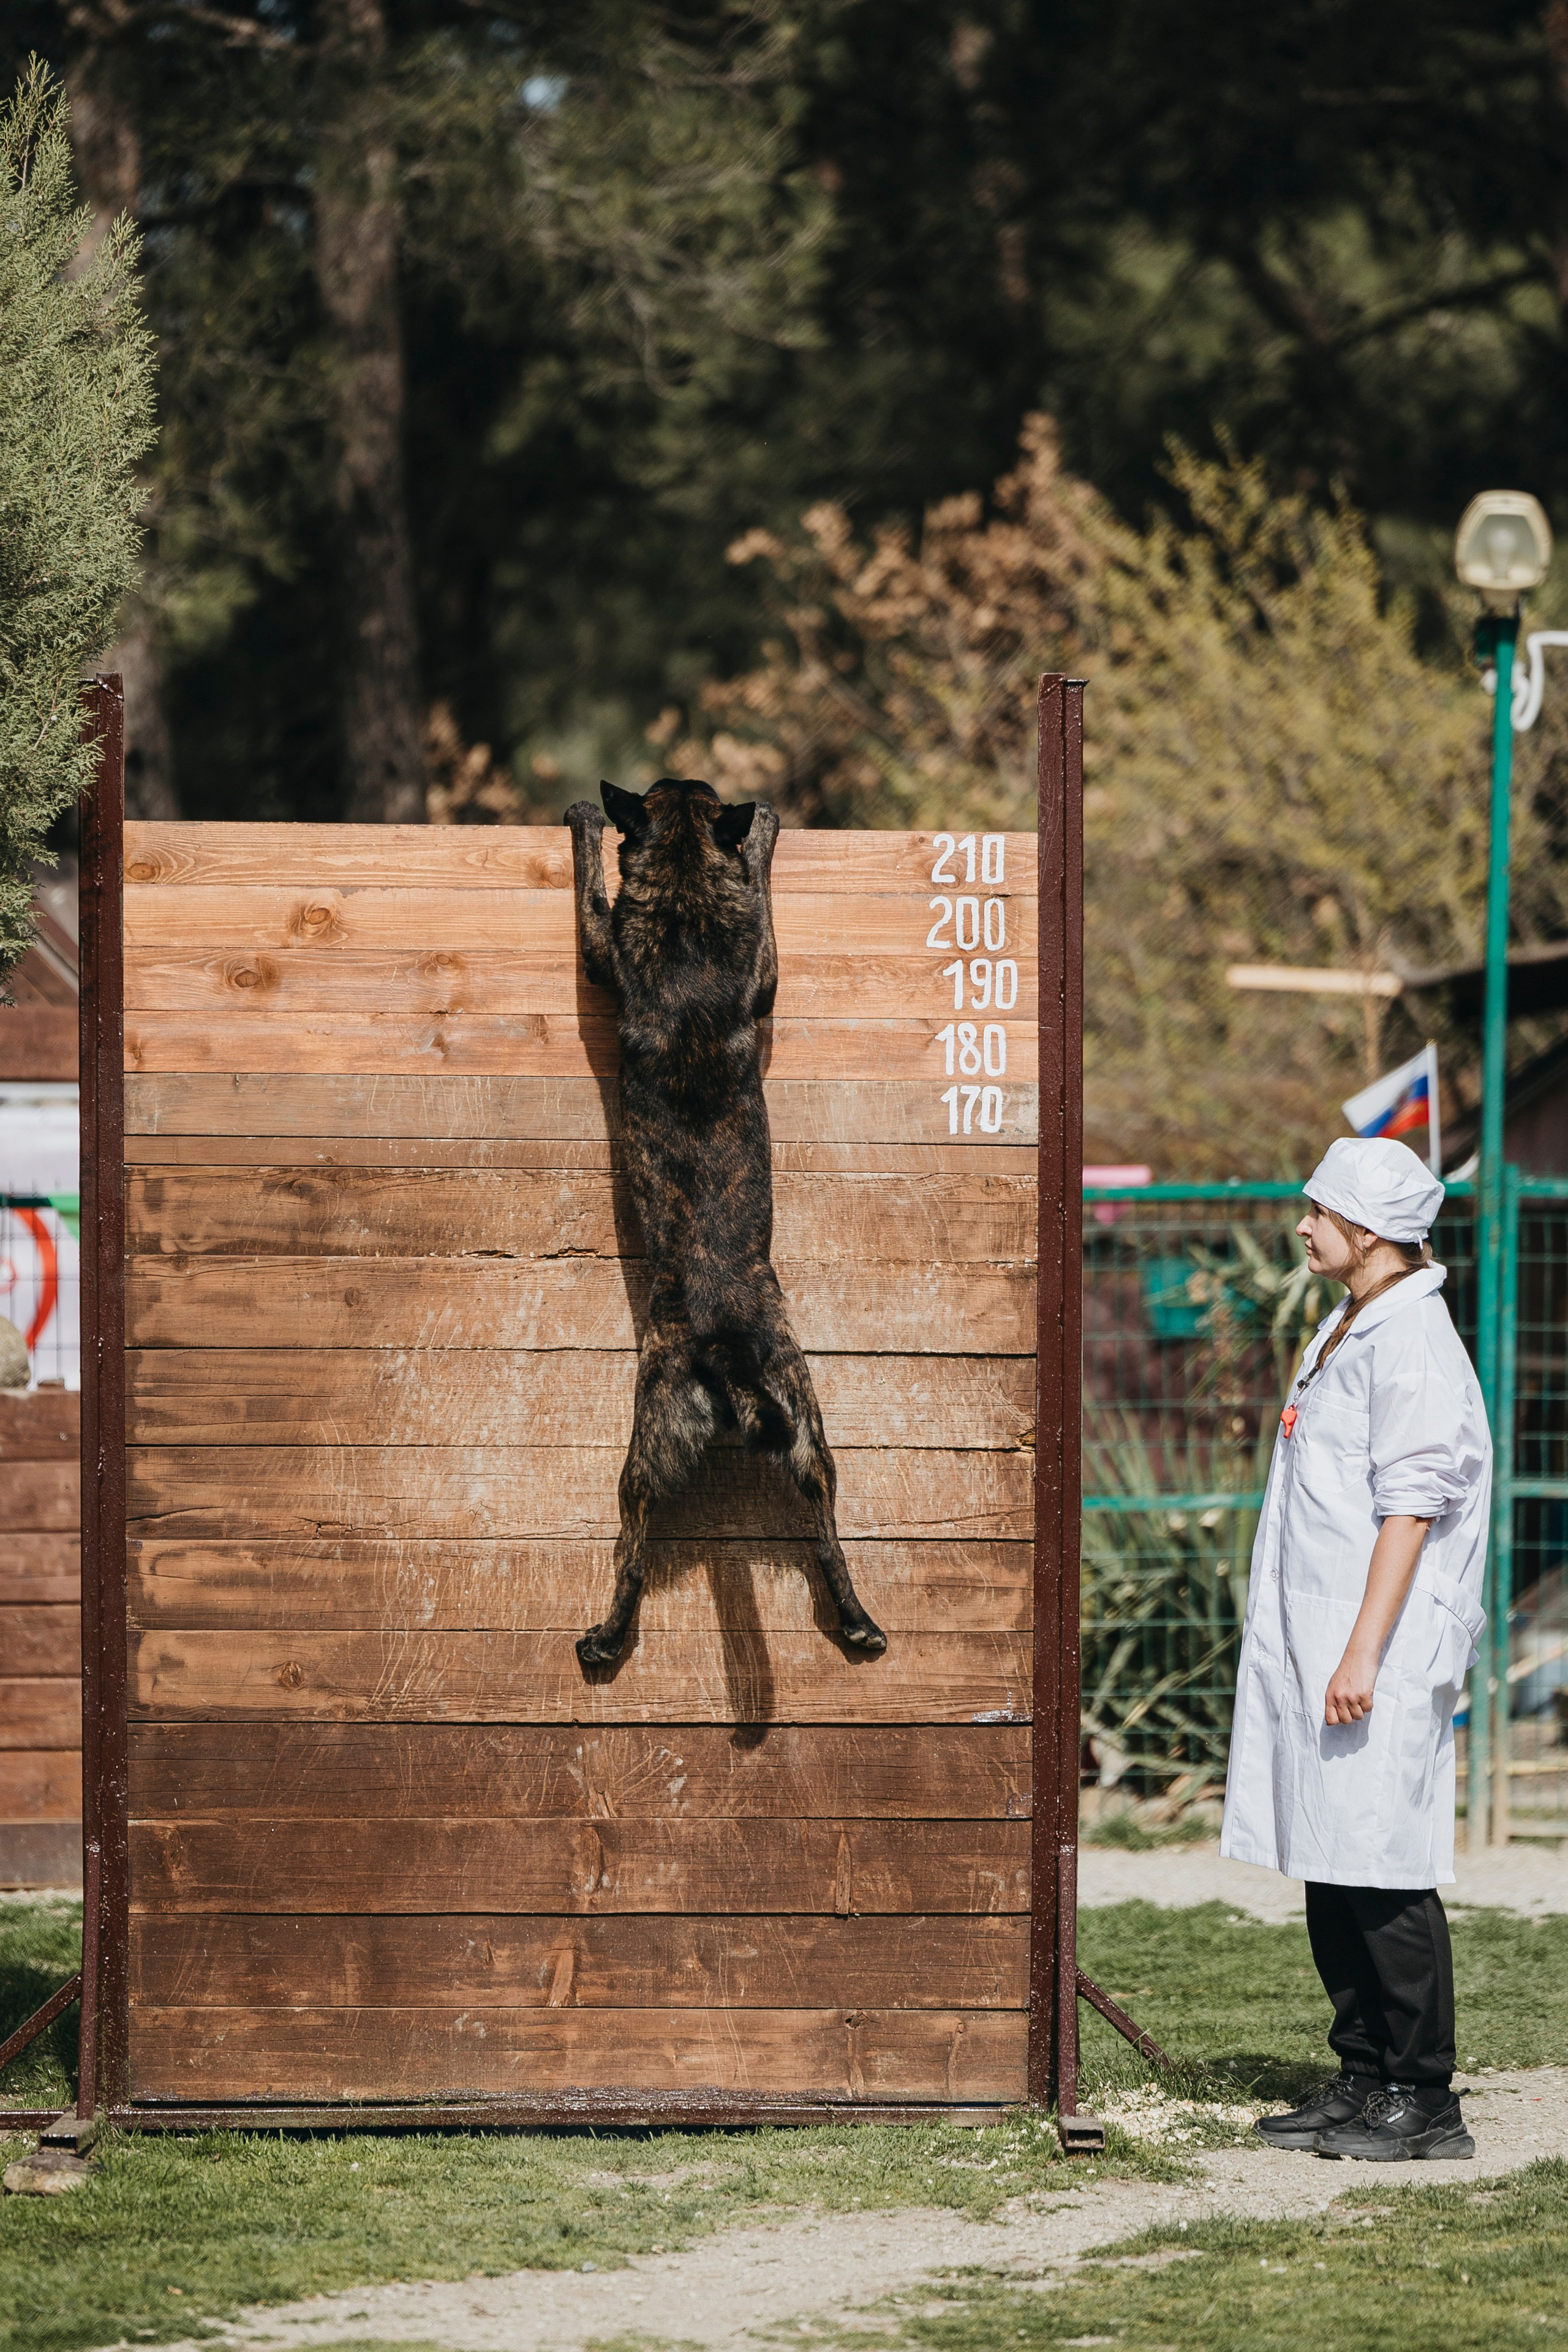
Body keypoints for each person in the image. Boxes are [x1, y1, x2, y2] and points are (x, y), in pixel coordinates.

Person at [1219, 1135, 1491, 2161]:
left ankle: (1426, 2099)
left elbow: (1411, 1511)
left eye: (1319, 1212)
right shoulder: (1351, 1321)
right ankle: (1361, 2076)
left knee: (1381, 1866)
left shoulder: (1413, 1345)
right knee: (1330, 1861)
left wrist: (1364, 1652)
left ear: (1369, 1233)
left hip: (1376, 1642)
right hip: (1321, 1636)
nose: (1302, 1223)